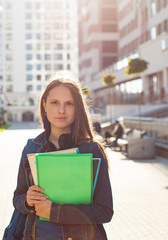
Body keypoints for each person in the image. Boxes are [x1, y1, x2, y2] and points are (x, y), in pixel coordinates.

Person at [13, 71, 113, 240]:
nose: (61, 110)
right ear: (44, 104)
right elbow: (18, 199)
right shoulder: (31, 147)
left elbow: (104, 211)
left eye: (69, 103)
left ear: (77, 108)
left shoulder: (92, 150)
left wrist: (54, 212)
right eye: (54, 102)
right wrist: (27, 200)